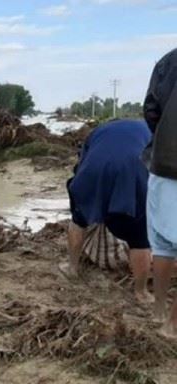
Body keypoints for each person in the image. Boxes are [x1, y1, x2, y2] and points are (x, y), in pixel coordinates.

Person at [60, 120, 152, 303]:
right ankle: (141, 292)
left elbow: (81, 164)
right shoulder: (154, 131)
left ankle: (72, 268)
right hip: (131, 171)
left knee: (79, 219)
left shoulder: (98, 131)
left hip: (92, 170)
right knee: (139, 237)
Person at [144, 48, 177, 335]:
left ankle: (159, 310)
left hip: (165, 162)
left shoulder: (169, 61)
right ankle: (173, 325)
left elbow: (151, 110)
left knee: (164, 244)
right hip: (164, 161)